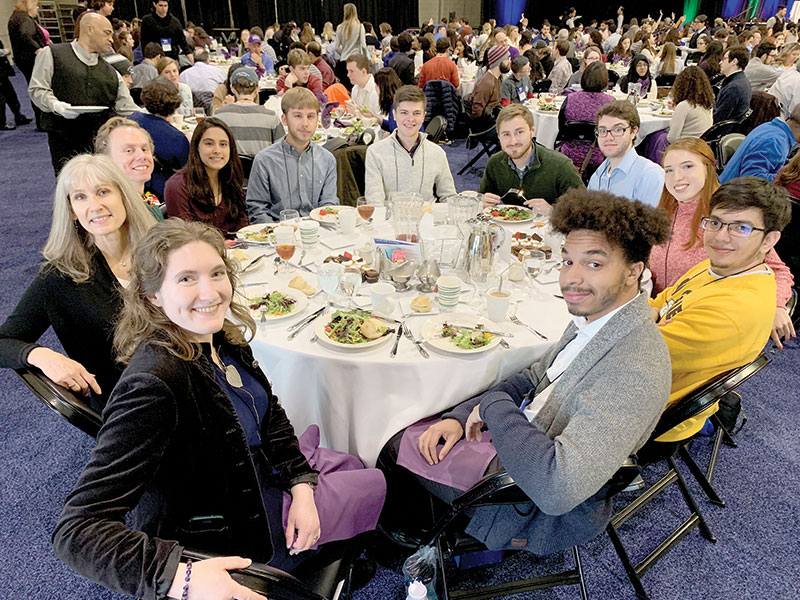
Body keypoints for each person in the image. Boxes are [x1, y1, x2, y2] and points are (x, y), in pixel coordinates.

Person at [52, 218, 386, 599]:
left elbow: (269, 414)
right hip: (233, 528)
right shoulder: (154, 384)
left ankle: (328, 549)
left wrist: (302, 486)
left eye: (216, 273)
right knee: (372, 482)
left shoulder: (219, 337)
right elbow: (76, 529)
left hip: (256, 469)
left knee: (352, 466)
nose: (210, 292)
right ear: (152, 296)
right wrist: (181, 578)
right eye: (186, 279)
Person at [378, 188, 672, 556]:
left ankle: (412, 545)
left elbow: (556, 487)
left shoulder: (633, 369)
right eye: (567, 261)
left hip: (527, 499)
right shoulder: (601, 319)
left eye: (594, 264)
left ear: (634, 272)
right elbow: (534, 377)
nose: (572, 279)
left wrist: (491, 409)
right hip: (528, 434)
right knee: (427, 418)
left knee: (391, 445)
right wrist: (459, 416)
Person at [0, 154, 155, 410]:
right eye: (80, 197)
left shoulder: (161, 250)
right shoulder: (60, 276)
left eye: (103, 191)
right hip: (131, 405)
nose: (94, 206)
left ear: (123, 196)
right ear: (71, 211)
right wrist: (41, 355)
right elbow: (3, 341)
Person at [650, 177, 792, 441]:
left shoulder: (734, 309)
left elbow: (634, 353)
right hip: (651, 372)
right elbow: (663, 301)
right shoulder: (721, 265)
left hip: (650, 410)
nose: (720, 237)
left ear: (769, 240)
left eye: (741, 227)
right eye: (715, 222)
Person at [652, 138, 795, 346]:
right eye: (669, 170)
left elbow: (778, 271)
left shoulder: (726, 218)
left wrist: (777, 305)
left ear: (708, 169)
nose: (677, 177)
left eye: (688, 166)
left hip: (696, 323)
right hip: (659, 309)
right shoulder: (667, 208)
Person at [28, 12, 138, 173]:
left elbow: (127, 108)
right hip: (63, 140)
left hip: (99, 143)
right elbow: (37, 89)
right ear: (89, 29)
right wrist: (56, 105)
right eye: (107, 33)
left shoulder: (111, 72)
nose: (111, 39)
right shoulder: (52, 54)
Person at [246, 87, 338, 223]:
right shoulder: (265, 160)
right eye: (297, 116)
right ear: (284, 119)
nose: (305, 124)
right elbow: (258, 210)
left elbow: (329, 206)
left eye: (311, 116)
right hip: (278, 235)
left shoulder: (327, 159)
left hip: (318, 233)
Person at [480, 104, 584, 213]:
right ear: (499, 136)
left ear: (532, 131)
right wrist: (482, 202)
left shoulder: (561, 166)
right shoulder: (495, 163)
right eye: (506, 134)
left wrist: (553, 211)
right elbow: (482, 199)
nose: (513, 141)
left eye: (519, 132)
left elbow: (584, 210)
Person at [364, 85, 456, 204]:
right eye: (404, 113)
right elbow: (375, 203)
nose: (410, 119)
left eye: (416, 113)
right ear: (394, 115)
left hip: (426, 219)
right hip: (390, 220)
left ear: (423, 116)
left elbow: (449, 197)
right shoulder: (375, 152)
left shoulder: (437, 153)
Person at [164, 118, 248, 233]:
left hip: (235, 250)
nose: (217, 150)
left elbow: (242, 229)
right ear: (197, 147)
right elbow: (184, 238)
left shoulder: (230, 179)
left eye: (223, 144)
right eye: (209, 143)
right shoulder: (177, 186)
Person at [588, 100, 664, 207]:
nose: (609, 137)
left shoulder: (650, 176)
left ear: (633, 132)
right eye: (603, 130)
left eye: (617, 129)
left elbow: (652, 222)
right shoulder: (598, 176)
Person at [129, 76, 190, 198]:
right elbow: (187, 172)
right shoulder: (177, 139)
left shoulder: (133, 119)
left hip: (131, 187)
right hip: (160, 195)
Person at [94, 116, 163, 220]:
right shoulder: (109, 215)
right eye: (129, 150)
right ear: (105, 159)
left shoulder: (148, 200)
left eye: (144, 149)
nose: (142, 156)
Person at [215, 67, 285, 157]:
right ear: (257, 89)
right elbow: (281, 151)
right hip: (262, 169)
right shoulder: (271, 117)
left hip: (228, 169)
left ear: (232, 88)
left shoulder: (219, 116)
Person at [558, 61, 614, 173]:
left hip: (568, 153)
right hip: (598, 154)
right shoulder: (610, 103)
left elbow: (561, 127)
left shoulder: (570, 98)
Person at [719, 105, 800, 183]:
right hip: (733, 194)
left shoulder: (771, 128)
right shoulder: (774, 141)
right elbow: (752, 180)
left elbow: (774, 162)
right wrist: (788, 177)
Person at [667, 66, 714, 143]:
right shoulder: (708, 104)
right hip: (701, 145)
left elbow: (672, 138)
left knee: (658, 136)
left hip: (685, 146)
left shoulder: (684, 106)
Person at [7, 0, 46, 93]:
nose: (37, 8)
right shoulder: (24, 19)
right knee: (40, 87)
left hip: (22, 59)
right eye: (36, 5)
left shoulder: (15, 17)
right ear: (30, 6)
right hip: (31, 59)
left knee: (33, 85)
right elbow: (26, 34)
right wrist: (37, 49)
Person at [469, 45, 509, 121]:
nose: (509, 61)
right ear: (499, 62)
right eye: (507, 59)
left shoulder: (496, 78)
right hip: (487, 126)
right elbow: (476, 111)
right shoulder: (487, 83)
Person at [334, 3, 367, 89]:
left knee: (345, 89)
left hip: (344, 60)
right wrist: (368, 58)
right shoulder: (360, 26)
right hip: (356, 61)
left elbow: (336, 47)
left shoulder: (340, 27)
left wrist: (344, 52)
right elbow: (363, 45)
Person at [714, 47, 751, 123]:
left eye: (724, 59)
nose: (720, 62)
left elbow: (719, 117)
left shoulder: (734, 87)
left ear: (734, 61)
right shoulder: (741, 81)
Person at [346, 53, 381, 117]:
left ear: (363, 72)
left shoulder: (377, 90)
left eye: (351, 71)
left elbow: (381, 121)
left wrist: (357, 113)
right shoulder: (355, 89)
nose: (348, 75)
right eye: (348, 71)